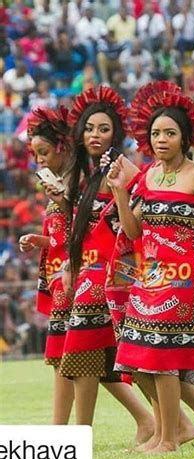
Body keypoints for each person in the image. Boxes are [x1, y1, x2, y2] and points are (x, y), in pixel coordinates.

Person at [107, 81, 194, 453]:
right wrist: (120, 192)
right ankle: (168, 433)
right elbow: (132, 230)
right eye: (156, 133)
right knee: (136, 353)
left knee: (162, 355)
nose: (161, 140)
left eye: (170, 133)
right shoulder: (149, 177)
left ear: (184, 137)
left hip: (184, 278)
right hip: (150, 275)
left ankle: (168, 439)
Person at [59, 86, 154, 442]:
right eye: (89, 128)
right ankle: (155, 421)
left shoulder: (124, 168)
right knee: (113, 355)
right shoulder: (86, 175)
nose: (95, 135)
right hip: (92, 271)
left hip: (114, 272)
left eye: (103, 129)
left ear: (117, 133)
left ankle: (80, 435)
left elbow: (140, 221)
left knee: (84, 350)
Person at [18, 106, 74, 424]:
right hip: (57, 277)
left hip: (74, 276)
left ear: (62, 147)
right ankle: (149, 420)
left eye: (44, 152)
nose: (39, 160)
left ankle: (58, 431)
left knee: (66, 355)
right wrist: (38, 241)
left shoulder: (72, 184)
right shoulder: (55, 186)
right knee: (81, 360)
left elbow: (84, 228)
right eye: (35, 154)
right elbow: (59, 236)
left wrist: (64, 199)